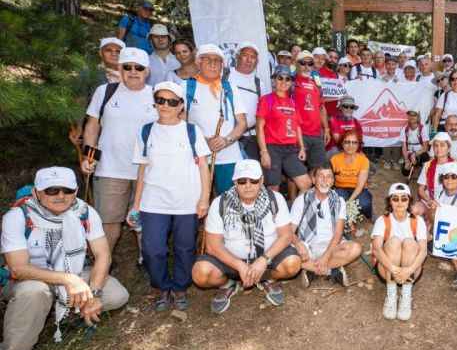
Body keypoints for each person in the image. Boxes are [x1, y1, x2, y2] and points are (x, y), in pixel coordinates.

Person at [0, 167, 129, 350]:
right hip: (29, 280)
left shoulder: (84, 212)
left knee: (116, 294)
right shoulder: (18, 217)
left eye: (67, 190)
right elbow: (18, 268)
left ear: (76, 190)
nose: (60, 195)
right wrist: (69, 280)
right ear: (37, 192)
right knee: (35, 293)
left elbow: (103, 255)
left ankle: (65, 313)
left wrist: (95, 294)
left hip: (76, 273)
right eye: (51, 190)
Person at [131, 81, 212, 311]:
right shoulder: (146, 131)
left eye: (172, 101)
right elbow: (142, 169)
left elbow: (203, 166)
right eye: (161, 100)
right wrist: (136, 205)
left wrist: (204, 198)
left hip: (187, 200)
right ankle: (161, 286)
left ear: (181, 106)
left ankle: (179, 287)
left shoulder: (191, 130)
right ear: (155, 103)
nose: (165, 105)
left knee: (184, 247)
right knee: (152, 248)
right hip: (153, 200)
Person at [192, 160, 300, 313]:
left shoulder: (275, 199)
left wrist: (263, 260)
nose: (248, 185)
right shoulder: (220, 203)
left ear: (261, 180)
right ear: (235, 182)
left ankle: (268, 279)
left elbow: (286, 235)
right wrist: (239, 265)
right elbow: (212, 245)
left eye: (253, 180)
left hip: (266, 259)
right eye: (242, 181)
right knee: (200, 273)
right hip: (231, 261)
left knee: (293, 264)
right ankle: (228, 284)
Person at [81, 47, 157, 255]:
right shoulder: (105, 92)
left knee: (145, 221)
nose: (133, 72)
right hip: (110, 169)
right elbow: (93, 126)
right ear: (119, 68)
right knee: (108, 222)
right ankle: (103, 263)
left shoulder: (158, 95)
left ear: (147, 71)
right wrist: (88, 156)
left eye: (139, 67)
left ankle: (147, 260)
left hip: (148, 171)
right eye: (127, 67)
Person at [184, 44, 248, 194]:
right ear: (198, 63)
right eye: (207, 60)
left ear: (222, 65)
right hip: (197, 156)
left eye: (217, 61)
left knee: (228, 202)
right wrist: (203, 142)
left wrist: (226, 140)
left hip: (229, 156)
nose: (213, 64)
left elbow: (242, 122)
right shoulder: (186, 87)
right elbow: (180, 122)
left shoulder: (230, 88)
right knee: (197, 201)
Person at [291, 164, 362, 287]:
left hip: (332, 247)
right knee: (289, 257)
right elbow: (290, 231)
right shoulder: (301, 200)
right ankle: (332, 269)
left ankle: (312, 269)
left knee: (356, 249)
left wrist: (325, 257)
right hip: (308, 246)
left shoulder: (339, 201)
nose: (325, 180)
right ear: (313, 180)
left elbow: (338, 234)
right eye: (321, 176)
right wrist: (298, 244)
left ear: (333, 181)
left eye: (329, 177)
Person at [372, 183, 428, 321]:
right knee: (394, 242)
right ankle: (391, 295)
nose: (400, 202)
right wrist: (393, 268)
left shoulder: (417, 220)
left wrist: (409, 270)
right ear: (390, 201)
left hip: (410, 271)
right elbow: (377, 249)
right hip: (388, 269)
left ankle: (406, 295)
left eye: (404, 198)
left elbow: (423, 251)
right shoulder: (382, 220)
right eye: (395, 198)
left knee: (409, 243)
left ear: (409, 200)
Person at [256, 65, 312, 194]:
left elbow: (297, 126)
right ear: (274, 80)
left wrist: (302, 147)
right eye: (280, 78)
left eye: (288, 79)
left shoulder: (292, 102)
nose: (284, 81)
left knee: (306, 183)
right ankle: (274, 214)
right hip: (272, 148)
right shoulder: (266, 100)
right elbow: (259, 127)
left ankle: (296, 211)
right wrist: (264, 152)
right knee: (273, 188)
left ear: (291, 82)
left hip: (291, 149)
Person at [293, 50, 330, 169]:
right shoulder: (289, 82)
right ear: (296, 64)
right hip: (298, 134)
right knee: (296, 172)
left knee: (318, 169)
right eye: (303, 63)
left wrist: (326, 128)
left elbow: (322, 107)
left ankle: (312, 188)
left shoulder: (316, 84)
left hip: (316, 134)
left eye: (310, 64)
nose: (306, 67)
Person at [226, 42, 263, 160]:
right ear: (237, 57)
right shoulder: (224, 75)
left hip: (250, 138)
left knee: (252, 175)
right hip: (226, 135)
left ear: (256, 61)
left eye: (253, 57)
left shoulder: (259, 84)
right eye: (245, 55)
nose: (249, 60)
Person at [414, 132, 455, 226]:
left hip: (447, 204)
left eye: (442, 145)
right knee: (414, 210)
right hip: (429, 201)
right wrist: (429, 201)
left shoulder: (456, 166)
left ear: (448, 148)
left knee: (434, 216)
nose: (438, 148)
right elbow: (420, 189)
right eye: (436, 145)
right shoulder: (428, 165)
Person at [331, 130, 372, 220]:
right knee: (336, 202)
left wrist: (349, 202)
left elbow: (360, 185)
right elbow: (329, 179)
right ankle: (346, 218)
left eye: (354, 142)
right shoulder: (334, 159)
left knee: (364, 204)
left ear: (358, 145)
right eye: (347, 142)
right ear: (342, 143)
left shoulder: (363, 160)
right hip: (341, 188)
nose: (350, 146)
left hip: (359, 189)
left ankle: (369, 214)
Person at [400, 110, 430, 177]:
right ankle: (413, 169)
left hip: (420, 151)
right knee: (405, 171)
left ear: (418, 117)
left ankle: (421, 170)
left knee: (425, 157)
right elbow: (404, 147)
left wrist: (415, 154)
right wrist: (406, 160)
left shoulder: (423, 128)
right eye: (410, 115)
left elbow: (425, 147)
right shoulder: (404, 129)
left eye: (414, 115)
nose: (412, 117)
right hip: (410, 151)